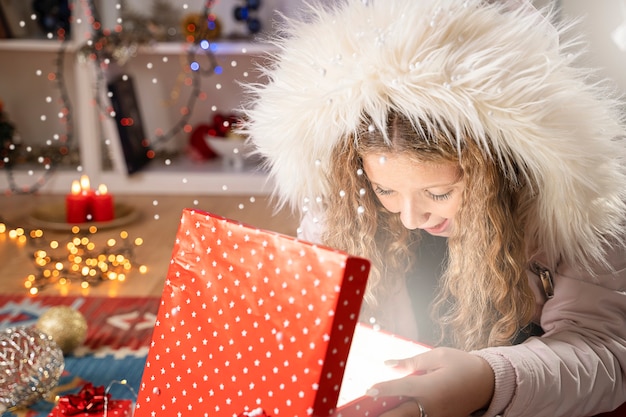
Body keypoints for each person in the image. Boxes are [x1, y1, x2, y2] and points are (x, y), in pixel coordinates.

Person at [241, 0, 626, 416]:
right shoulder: (345, 208)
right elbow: (311, 320)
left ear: (503, 172)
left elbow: (604, 353)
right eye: (384, 190)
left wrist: (487, 380)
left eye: (439, 194)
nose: (410, 217)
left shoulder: (578, 216)